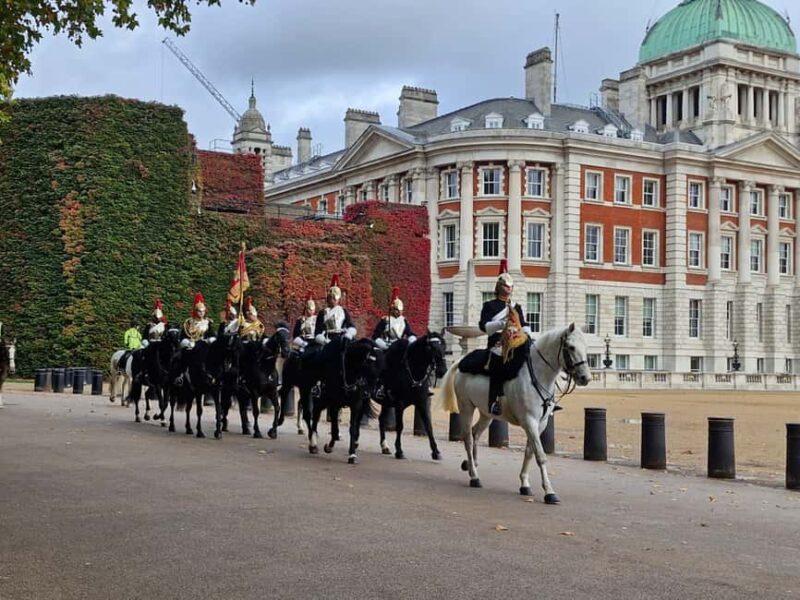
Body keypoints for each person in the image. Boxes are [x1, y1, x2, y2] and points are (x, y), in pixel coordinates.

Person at [479, 260, 532, 416]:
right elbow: (483, 326)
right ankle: (493, 401)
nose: (509, 288)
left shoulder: (516, 307)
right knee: (497, 364)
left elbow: (523, 324)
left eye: (511, 286)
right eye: (506, 286)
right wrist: (501, 324)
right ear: (499, 286)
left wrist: (528, 335)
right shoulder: (489, 305)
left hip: (516, 342)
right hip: (498, 344)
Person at [314, 274, 356, 345]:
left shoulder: (343, 311)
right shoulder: (322, 312)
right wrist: (323, 340)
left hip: (341, 337)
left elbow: (351, 326)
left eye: (335, 298)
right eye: (331, 298)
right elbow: (318, 332)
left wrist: (349, 334)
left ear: (338, 299)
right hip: (327, 338)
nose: (333, 300)